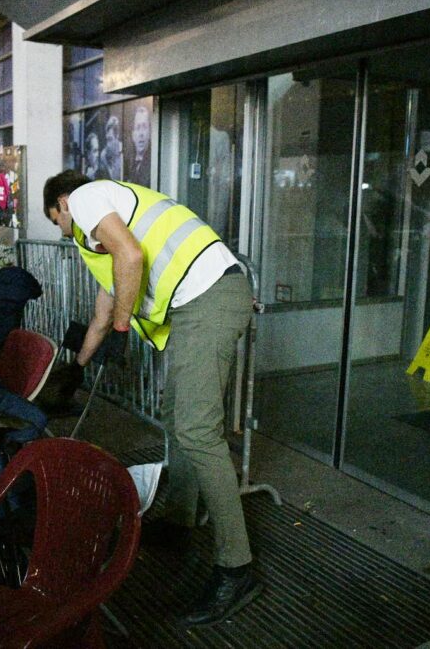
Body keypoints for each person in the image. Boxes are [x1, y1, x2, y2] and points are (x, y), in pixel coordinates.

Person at [43, 171, 261, 626]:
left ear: (62, 201)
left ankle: (237, 567)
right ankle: (181, 518)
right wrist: (77, 367)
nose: (62, 231)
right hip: (196, 305)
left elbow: (131, 256)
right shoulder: (101, 231)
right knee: (173, 415)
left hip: (210, 298)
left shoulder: (85, 197)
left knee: (199, 430)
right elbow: (107, 304)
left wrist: (123, 330)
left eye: (55, 219)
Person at [127, 104, 151, 186]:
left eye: (144, 127)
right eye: (137, 128)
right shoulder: (129, 162)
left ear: (150, 132)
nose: (141, 133)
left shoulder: (153, 163)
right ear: (133, 135)